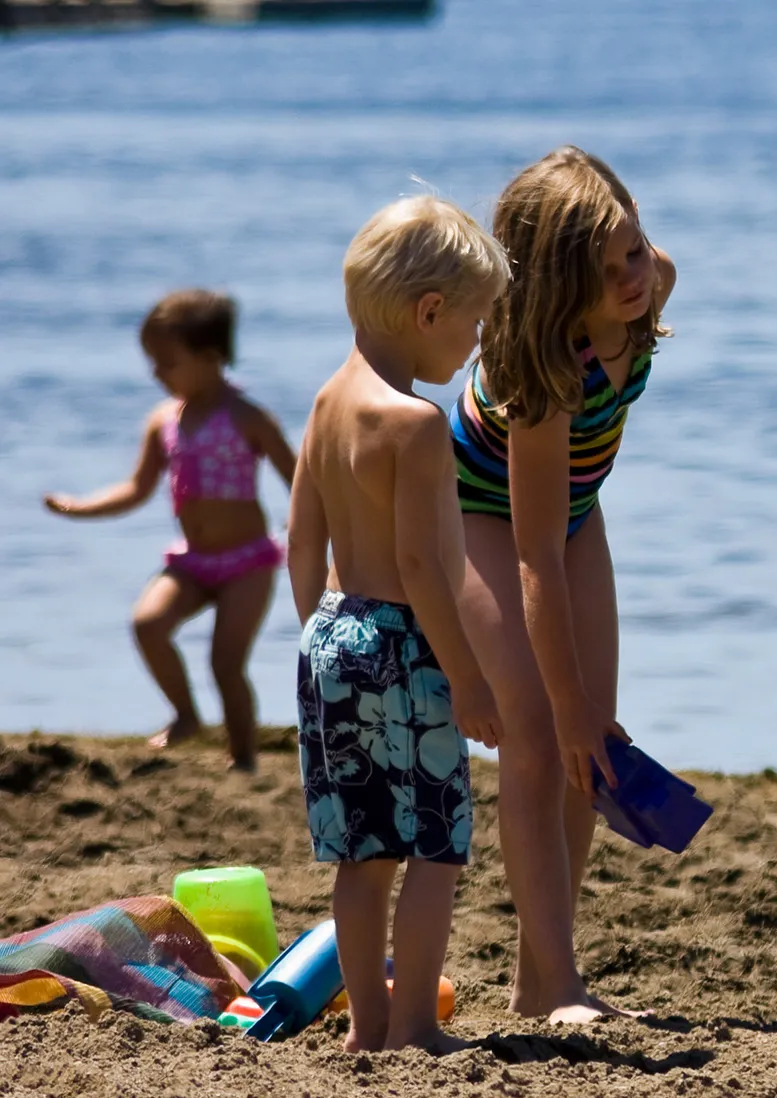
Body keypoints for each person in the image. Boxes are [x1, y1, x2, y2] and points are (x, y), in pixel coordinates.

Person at [449, 147, 676, 1022]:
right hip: (480, 513)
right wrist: (566, 700)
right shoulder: (540, 376)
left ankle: (540, 981)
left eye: (635, 247)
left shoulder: (651, 283)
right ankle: (561, 985)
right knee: (543, 740)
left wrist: (588, 706)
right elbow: (531, 553)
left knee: (591, 749)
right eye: (607, 265)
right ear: (553, 281)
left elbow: (563, 527)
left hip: (577, 509)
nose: (634, 274)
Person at [285, 195, 508, 1053]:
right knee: (435, 849)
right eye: (476, 323)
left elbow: (301, 539)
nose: (478, 343)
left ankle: (366, 1029)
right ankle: (414, 1026)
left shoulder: (324, 404)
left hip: (333, 635)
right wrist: (469, 678)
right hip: (404, 646)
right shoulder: (416, 425)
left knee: (362, 854)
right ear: (429, 313)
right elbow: (422, 570)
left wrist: (318, 637)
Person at [43, 290, 295, 772]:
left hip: (247, 563)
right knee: (148, 625)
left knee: (226, 664)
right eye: (153, 363)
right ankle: (186, 716)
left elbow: (298, 475)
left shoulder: (247, 417)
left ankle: (244, 760)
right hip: (193, 562)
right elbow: (135, 490)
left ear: (211, 357)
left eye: (167, 362)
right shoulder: (164, 422)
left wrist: (304, 524)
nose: (157, 373)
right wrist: (79, 507)